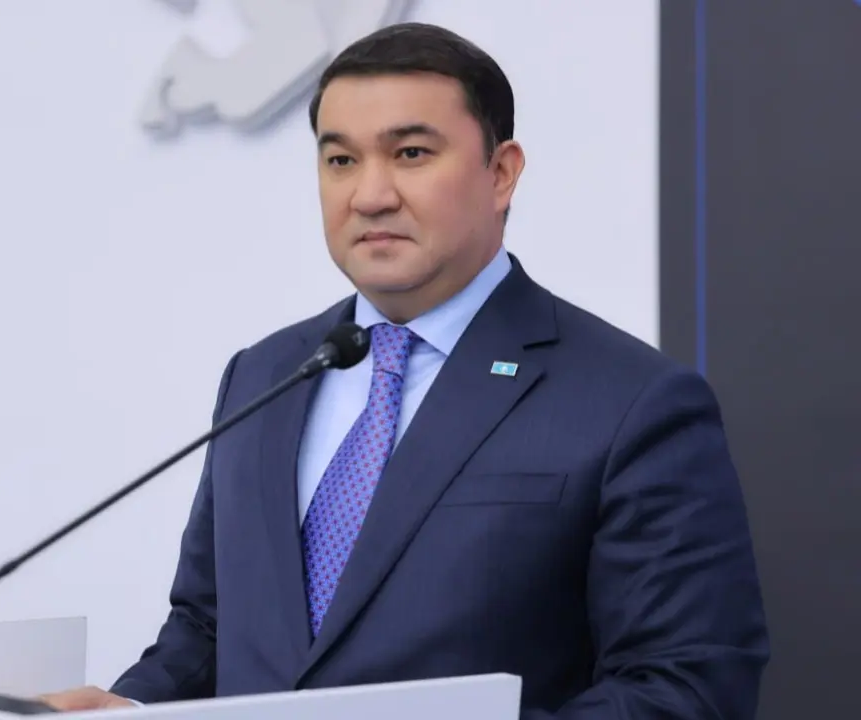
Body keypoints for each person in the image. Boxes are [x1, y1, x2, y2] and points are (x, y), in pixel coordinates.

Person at [42, 22, 769, 719]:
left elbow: (685, 689)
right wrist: (132, 707)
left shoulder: (631, 402)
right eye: (341, 161)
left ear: (501, 173)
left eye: (412, 153)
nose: (370, 195)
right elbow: (209, 625)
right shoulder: (264, 375)